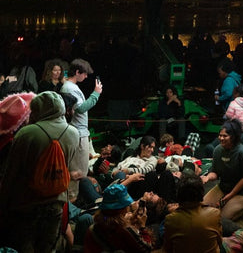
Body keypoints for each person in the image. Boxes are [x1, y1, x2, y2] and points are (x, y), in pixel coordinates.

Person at [0, 91, 80, 253]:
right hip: (56, 201)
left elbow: (12, 172)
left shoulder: (27, 133)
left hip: (27, 201)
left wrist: (4, 201)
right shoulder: (74, 133)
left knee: (25, 245)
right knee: (48, 246)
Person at [61, 57, 102, 200]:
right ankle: (72, 203)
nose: (86, 76)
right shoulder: (69, 87)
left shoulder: (70, 86)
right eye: (84, 73)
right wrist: (96, 93)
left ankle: (73, 202)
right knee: (78, 172)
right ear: (77, 72)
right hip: (77, 133)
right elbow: (81, 108)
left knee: (79, 171)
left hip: (78, 132)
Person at [201, 118, 243, 220]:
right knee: (202, 208)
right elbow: (215, 172)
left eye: (225, 136)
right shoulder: (218, 150)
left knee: (222, 218)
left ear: (233, 137)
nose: (221, 138)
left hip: (242, 191)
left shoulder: (241, 153)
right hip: (224, 187)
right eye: (220, 135)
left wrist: (230, 196)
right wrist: (207, 178)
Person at [84, 182, 152, 252]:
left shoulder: (93, 228)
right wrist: (142, 226)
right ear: (121, 209)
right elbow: (147, 249)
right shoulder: (125, 230)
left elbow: (110, 221)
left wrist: (128, 221)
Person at [162, 175, 222, 253]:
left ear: (179, 195)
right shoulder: (215, 213)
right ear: (202, 194)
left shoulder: (170, 219)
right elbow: (220, 242)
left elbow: (168, 248)